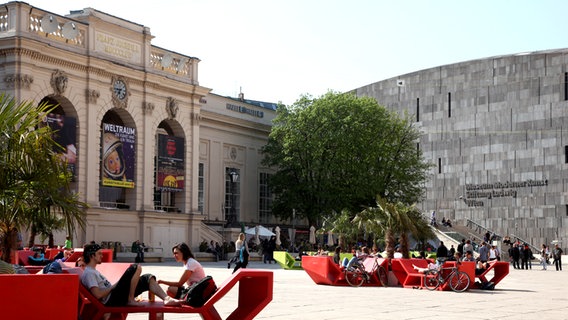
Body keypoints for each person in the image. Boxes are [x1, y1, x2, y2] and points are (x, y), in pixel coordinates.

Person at [80, 243, 180, 307]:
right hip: (112, 300)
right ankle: (130, 299)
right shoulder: (89, 273)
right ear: (92, 255)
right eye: (99, 254)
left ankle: (166, 299)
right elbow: (97, 295)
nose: (102, 256)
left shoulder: (93, 271)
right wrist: (113, 287)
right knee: (135, 267)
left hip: (115, 296)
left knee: (147, 278)